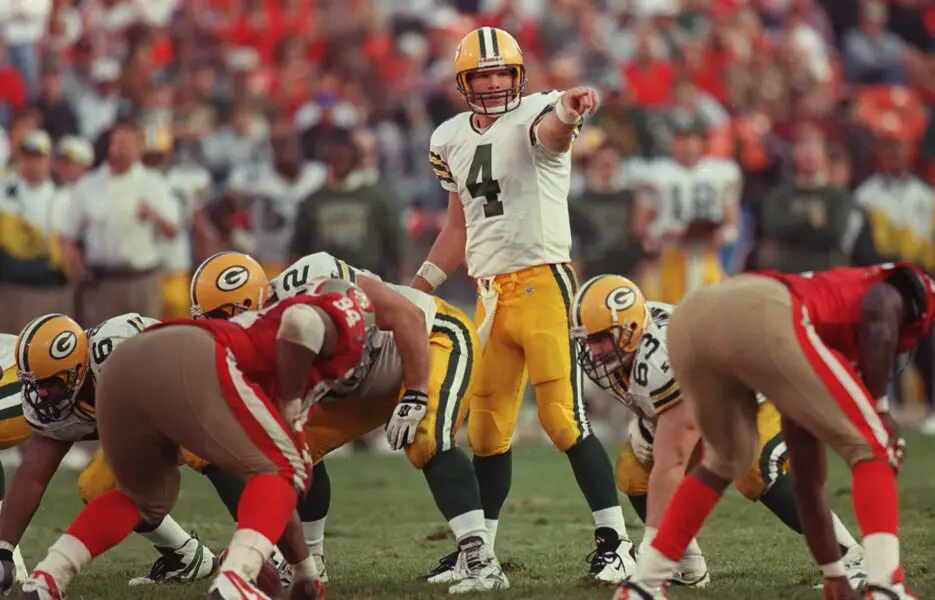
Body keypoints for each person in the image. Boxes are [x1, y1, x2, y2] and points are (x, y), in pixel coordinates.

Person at [412, 26, 635, 583]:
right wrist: (418, 288)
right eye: (482, 74)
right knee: (485, 431)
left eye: (501, 73)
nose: (492, 84)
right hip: (490, 295)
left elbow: (553, 130)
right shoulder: (447, 137)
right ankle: (478, 552)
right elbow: (458, 226)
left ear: (519, 77)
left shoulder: (537, 110)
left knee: (563, 419)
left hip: (542, 284)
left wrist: (570, 105)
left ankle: (617, 543)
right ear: (464, 81)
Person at [18, 279, 373, 600]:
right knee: (287, 470)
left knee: (140, 498)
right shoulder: (344, 319)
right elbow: (303, 322)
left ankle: (48, 577)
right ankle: (236, 579)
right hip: (193, 354)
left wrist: (304, 573)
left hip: (120, 368)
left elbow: (277, 493)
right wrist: (293, 404)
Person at [616, 262, 931, 600]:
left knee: (725, 461)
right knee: (872, 446)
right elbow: (881, 304)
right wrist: (881, 406)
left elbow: (808, 483)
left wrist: (834, 573)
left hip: (691, 316)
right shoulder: (910, 289)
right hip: (763, 309)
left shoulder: (811, 345)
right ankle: (886, 585)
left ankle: (644, 585)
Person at [570, 274, 866, 590]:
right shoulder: (622, 347)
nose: (593, 349)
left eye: (600, 338)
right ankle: (685, 566)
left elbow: (674, 457)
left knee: (755, 468)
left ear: (629, 328)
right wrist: (648, 423)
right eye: (587, 339)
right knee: (635, 471)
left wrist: (650, 559)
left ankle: (852, 559)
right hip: (716, 401)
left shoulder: (662, 354)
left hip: (766, 386)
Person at [268, 252, 507, 593]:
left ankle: (481, 562)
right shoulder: (265, 336)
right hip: (359, 383)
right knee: (296, 448)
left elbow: (407, 315)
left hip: (429, 342)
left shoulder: (324, 278)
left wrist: (416, 394)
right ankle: (308, 563)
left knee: (426, 439)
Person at [0, 314, 218, 597]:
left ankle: (269, 549)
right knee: (97, 486)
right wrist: (4, 551)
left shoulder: (120, 351)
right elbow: (33, 475)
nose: (40, 393)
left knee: (198, 446)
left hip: (191, 392)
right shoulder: (52, 396)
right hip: (143, 420)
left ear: (77, 369)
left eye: (48, 382)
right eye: (34, 383)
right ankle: (187, 556)